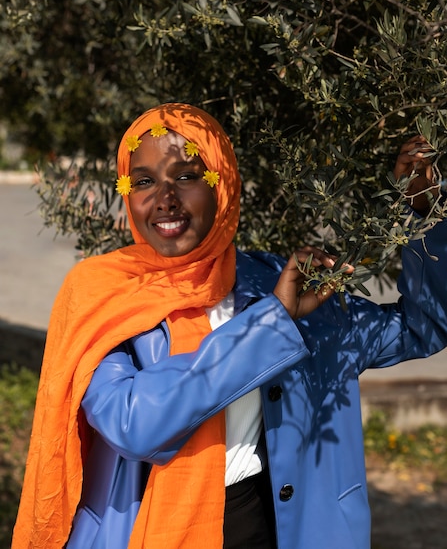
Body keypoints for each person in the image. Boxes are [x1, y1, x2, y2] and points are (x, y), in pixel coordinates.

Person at [12, 103, 447, 549]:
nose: (164, 197)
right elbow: (134, 423)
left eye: (185, 175)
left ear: (223, 183)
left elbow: (424, 326)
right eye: (143, 181)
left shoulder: (279, 285)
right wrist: (270, 325)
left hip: (267, 523)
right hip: (147, 532)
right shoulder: (104, 294)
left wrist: (424, 216)